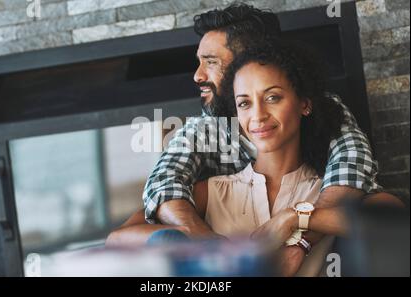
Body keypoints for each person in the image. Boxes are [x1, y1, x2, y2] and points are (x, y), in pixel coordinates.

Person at [106, 42, 403, 276]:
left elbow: (396, 223)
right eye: (245, 103)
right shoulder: (213, 191)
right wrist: (192, 238)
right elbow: (117, 241)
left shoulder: (329, 191)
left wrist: (295, 219)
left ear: (305, 104)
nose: (258, 115)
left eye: (273, 97)